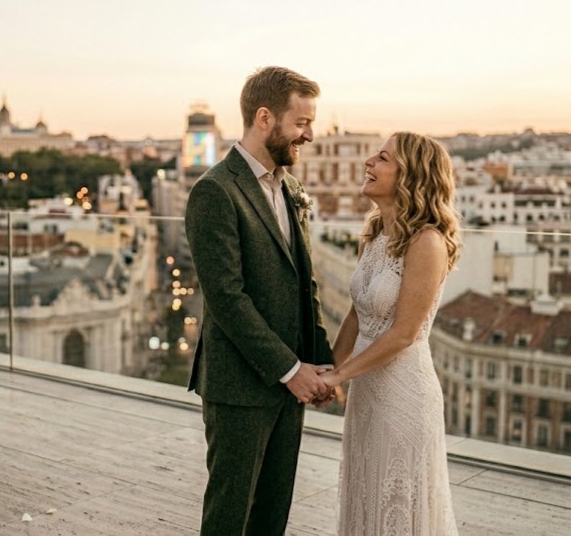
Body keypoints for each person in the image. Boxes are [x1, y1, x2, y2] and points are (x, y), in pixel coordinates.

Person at [185, 66, 336, 536]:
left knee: (272, 515)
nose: (310, 135)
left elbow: (302, 286)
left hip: (289, 384)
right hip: (240, 387)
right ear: (265, 118)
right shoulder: (215, 191)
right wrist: (292, 372)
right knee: (231, 516)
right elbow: (227, 299)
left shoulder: (290, 188)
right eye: (302, 123)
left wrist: (320, 366)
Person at [320, 132, 460, 535]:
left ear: (411, 176)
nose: (368, 162)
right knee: (366, 494)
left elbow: (403, 334)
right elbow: (356, 313)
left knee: (398, 505)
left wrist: (338, 377)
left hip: (404, 395)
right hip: (366, 393)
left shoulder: (428, 241)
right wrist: (331, 367)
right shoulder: (378, 232)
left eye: (382, 158)